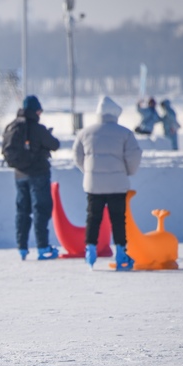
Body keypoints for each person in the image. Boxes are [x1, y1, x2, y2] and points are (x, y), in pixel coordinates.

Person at [73, 96, 143, 271]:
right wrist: (127, 172)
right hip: (117, 184)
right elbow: (134, 157)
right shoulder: (125, 133)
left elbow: (77, 157)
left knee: (93, 218)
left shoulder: (84, 133)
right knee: (118, 219)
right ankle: (121, 253)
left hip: (93, 184)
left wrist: (89, 172)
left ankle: (90, 252)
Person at [1, 95, 61, 260]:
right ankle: (42, 247)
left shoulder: (13, 126)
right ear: (35, 110)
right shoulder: (37, 128)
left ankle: (22, 248)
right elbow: (55, 144)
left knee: (22, 211)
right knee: (40, 209)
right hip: (38, 174)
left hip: (19, 174)